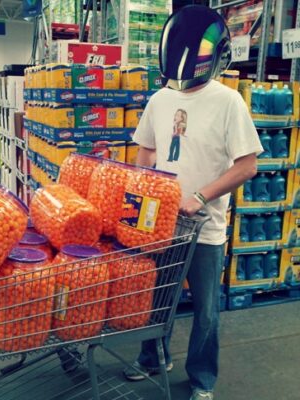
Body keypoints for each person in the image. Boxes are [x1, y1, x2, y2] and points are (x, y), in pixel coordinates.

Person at [123, 5, 263, 400]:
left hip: (205, 226)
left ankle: (202, 379)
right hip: (161, 222)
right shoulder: (159, 99)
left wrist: (200, 196)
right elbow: (146, 150)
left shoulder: (228, 102)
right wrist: (144, 189)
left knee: (205, 310)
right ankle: (153, 358)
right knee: (156, 297)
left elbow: (248, 165)